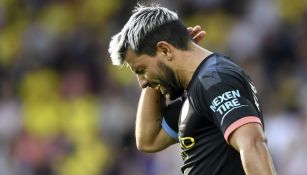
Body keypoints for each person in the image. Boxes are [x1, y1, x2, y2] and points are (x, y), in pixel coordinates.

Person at [108, 4, 277, 175]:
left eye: (142, 70)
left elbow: (253, 144)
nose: (143, 83)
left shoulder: (214, 80)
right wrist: (165, 66)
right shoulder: (196, 88)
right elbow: (148, 140)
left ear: (165, 49)